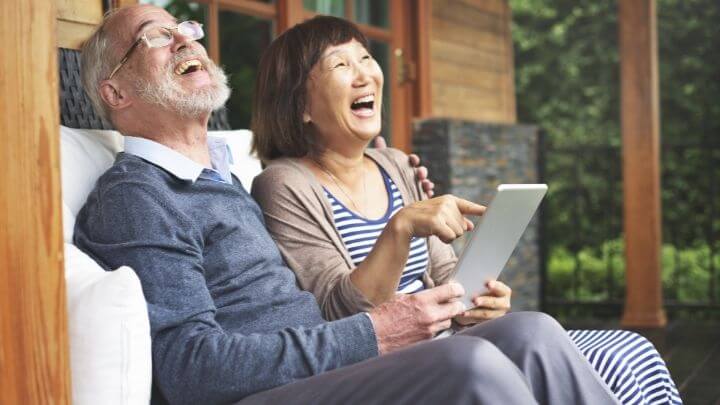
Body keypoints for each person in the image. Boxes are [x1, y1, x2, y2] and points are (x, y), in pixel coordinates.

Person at [74, 4, 621, 404]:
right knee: (470, 361)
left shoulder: (222, 175)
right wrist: (375, 334)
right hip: (267, 393)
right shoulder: (137, 195)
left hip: (319, 366)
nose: (186, 41)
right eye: (156, 37)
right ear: (115, 93)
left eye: (186, 29)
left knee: (533, 331)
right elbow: (189, 370)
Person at [250, 15, 682, 405]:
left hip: (447, 335)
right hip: (382, 360)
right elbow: (338, 317)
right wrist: (399, 229)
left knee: (564, 333)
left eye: (365, 57)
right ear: (300, 105)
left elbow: (444, 277)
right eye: (340, 65)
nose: (365, 74)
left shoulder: (395, 164)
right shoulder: (285, 183)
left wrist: (479, 303)